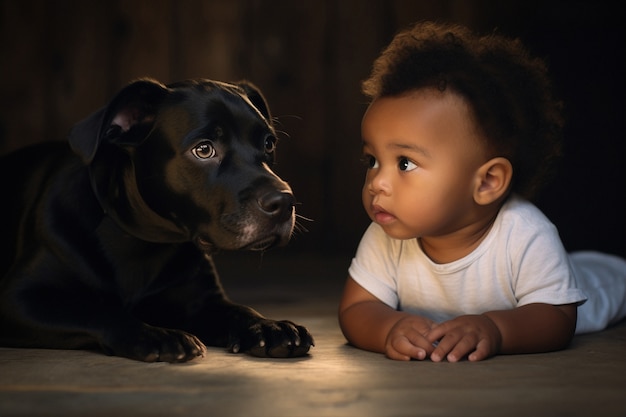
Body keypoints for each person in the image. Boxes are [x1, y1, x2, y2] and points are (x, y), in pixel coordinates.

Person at [338, 21, 626, 362]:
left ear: (487, 182)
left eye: (405, 164)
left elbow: (558, 318)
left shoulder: (526, 234)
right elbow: (357, 307)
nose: (377, 183)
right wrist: (388, 327)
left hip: (601, 283)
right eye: (372, 160)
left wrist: (495, 329)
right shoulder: (386, 235)